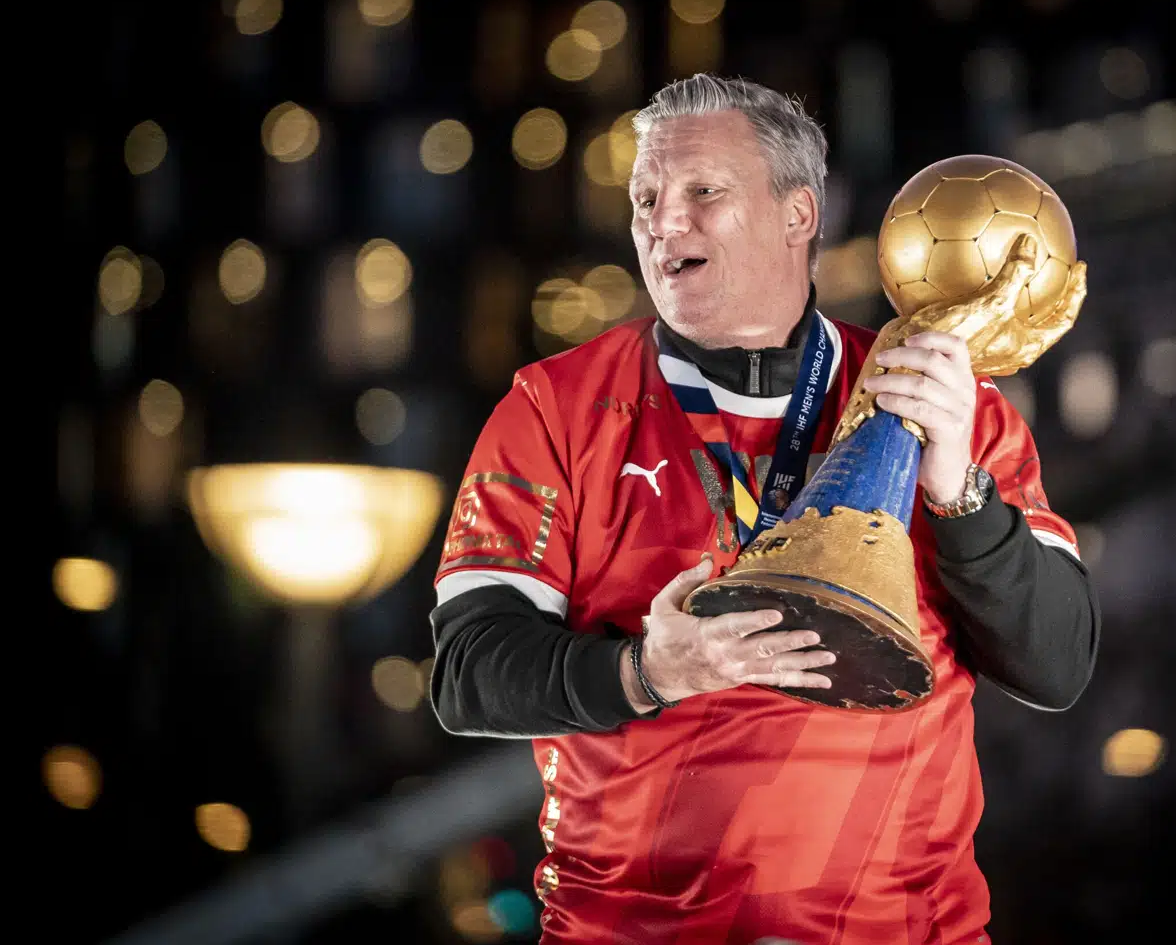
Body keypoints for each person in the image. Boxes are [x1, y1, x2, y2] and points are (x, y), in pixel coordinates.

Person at [429, 73, 1101, 944]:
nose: (665, 221)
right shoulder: (554, 409)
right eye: (646, 197)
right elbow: (467, 670)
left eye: (703, 191)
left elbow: (1057, 665)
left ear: (798, 214)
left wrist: (954, 490)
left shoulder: (944, 400)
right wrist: (646, 673)